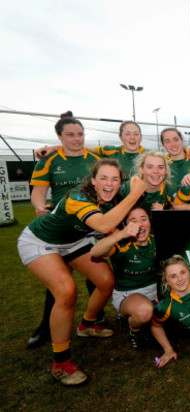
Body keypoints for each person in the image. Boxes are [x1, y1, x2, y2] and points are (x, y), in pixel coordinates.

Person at [17, 159, 146, 385]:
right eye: (103, 178)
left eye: (115, 179)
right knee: (66, 292)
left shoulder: (115, 191)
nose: (109, 183)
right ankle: (61, 364)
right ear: (93, 180)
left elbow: (137, 180)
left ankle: (86, 325)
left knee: (106, 281)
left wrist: (136, 183)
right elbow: (105, 225)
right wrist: (134, 195)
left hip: (75, 241)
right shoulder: (79, 196)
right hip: (40, 241)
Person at [27, 111, 102, 349]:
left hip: (91, 225)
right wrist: (40, 207)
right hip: (61, 228)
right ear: (60, 136)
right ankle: (45, 328)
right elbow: (37, 194)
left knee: (97, 275)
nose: (76, 139)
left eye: (80, 134)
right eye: (70, 135)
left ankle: (94, 320)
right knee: (59, 282)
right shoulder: (48, 161)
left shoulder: (94, 158)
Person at [90, 206, 158, 349]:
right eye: (133, 220)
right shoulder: (122, 244)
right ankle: (134, 330)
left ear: (150, 223)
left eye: (143, 219)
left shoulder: (156, 240)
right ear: (126, 226)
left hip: (156, 291)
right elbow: (95, 252)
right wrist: (120, 235)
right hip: (129, 294)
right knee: (144, 312)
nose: (140, 224)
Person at [36, 120, 146, 178]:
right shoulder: (111, 151)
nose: (132, 137)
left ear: (141, 137)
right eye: (127, 134)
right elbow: (80, 147)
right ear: (120, 137)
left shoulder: (149, 155)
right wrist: (55, 147)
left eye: (136, 134)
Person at [160, 127, 190, 192]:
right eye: (167, 141)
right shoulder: (162, 166)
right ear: (163, 145)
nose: (173, 144)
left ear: (182, 140)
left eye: (176, 140)